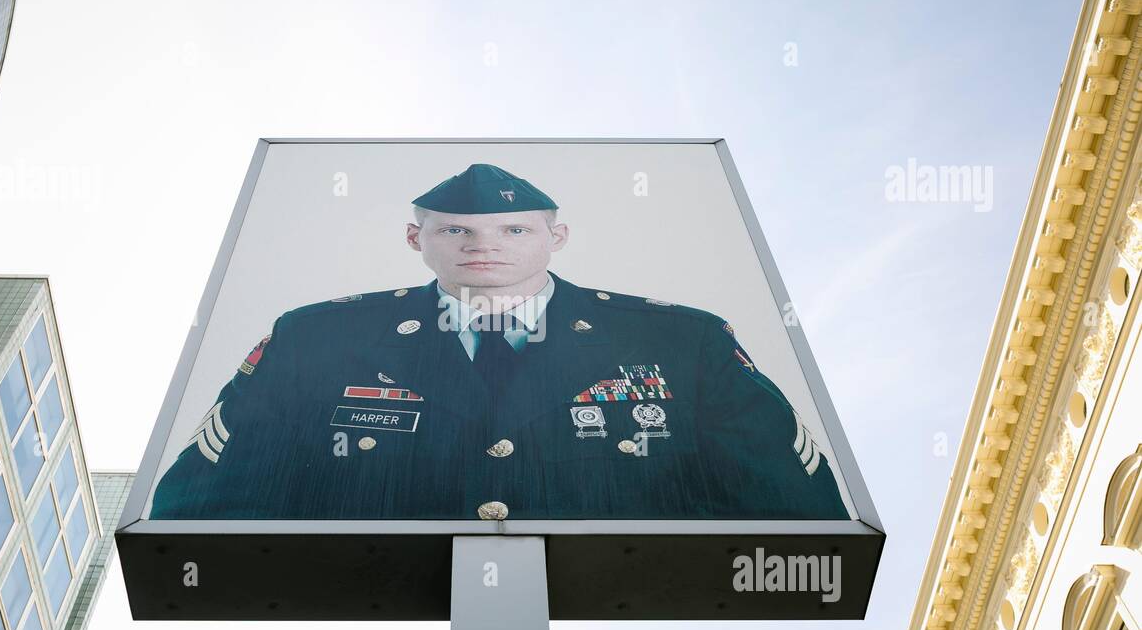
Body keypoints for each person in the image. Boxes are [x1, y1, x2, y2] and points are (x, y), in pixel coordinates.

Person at [150, 163, 849, 521]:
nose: (485, 247)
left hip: (634, 629)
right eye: (457, 230)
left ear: (556, 237)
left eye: (514, 231)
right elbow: (200, 510)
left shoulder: (678, 338)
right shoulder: (317, 337)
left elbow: (798, 512)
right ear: (415, 239)